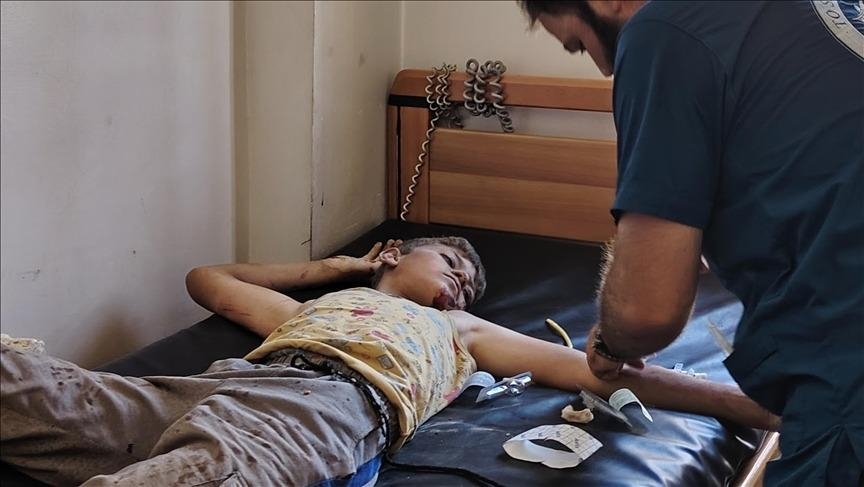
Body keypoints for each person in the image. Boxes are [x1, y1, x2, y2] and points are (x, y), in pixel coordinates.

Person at [1, 236, 778, 486]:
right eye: (452, 263)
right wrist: (335, 267)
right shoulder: (317, 309)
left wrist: (753, 405)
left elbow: (598, 372)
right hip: (226, 385)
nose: (463, 283)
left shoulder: (461, 331)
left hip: (327, 406)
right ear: (398, 253)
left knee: (201, 472)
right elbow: (207, 280)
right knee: (27, 384)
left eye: (471, 282)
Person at [517, 1, 863, 485]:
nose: (604, 69)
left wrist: (610, 342)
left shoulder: (661, 31)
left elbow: (645, 313)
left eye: (580, 44)